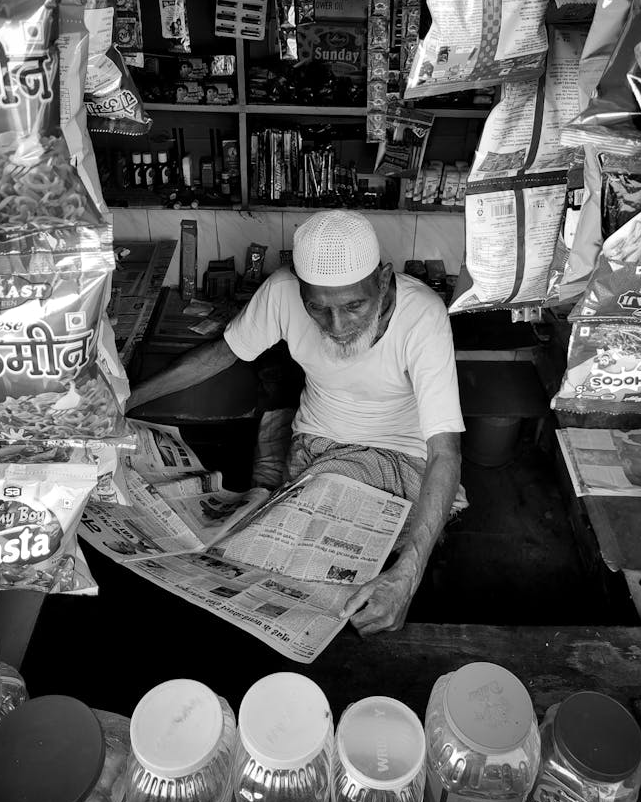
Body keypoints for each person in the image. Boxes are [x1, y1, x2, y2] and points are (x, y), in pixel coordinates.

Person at [127, 210, 465, 635]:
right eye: (317, 308)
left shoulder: (423, 317)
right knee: (253, 563)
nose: (337, 326)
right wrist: (126, 398)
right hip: (319, 445)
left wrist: (408, 576)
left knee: (372, 576)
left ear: (382, 280)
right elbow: (223, 352)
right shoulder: (282, 291)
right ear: (300, 289)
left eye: (354, 305)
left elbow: (445, 452)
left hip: (402, 454)